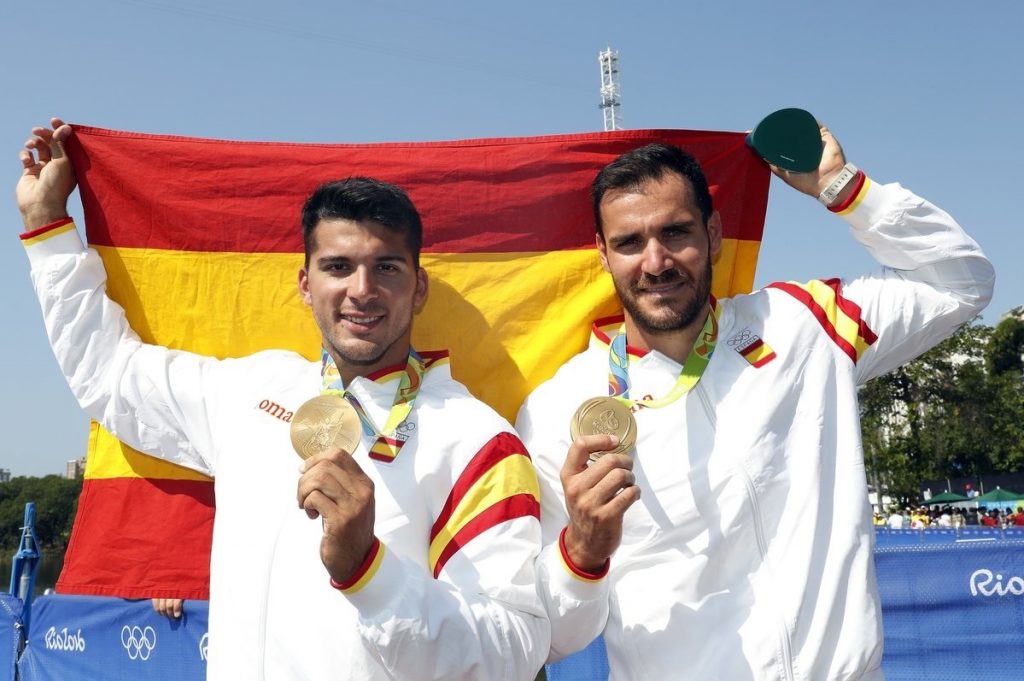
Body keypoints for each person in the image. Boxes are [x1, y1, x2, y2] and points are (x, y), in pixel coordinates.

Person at [17, 119, 549, 680]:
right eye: (338, 267)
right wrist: (46, 225)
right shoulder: (252, 391)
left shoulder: (478, 440)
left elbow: (514, 649)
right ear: (304, 285)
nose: (361, 290)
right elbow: (110, 372)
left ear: (418, 288)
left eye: (386, 268)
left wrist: (370, 572)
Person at [517, 124, 994, 680]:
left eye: (675, 232)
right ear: (602, 254)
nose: (656, 262)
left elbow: (961, 284)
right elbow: (553, 635)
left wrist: (843, 188)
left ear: (714, 233)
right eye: (629, 243)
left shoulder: (803, 324)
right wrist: (583, 551)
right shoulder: (557, 410)